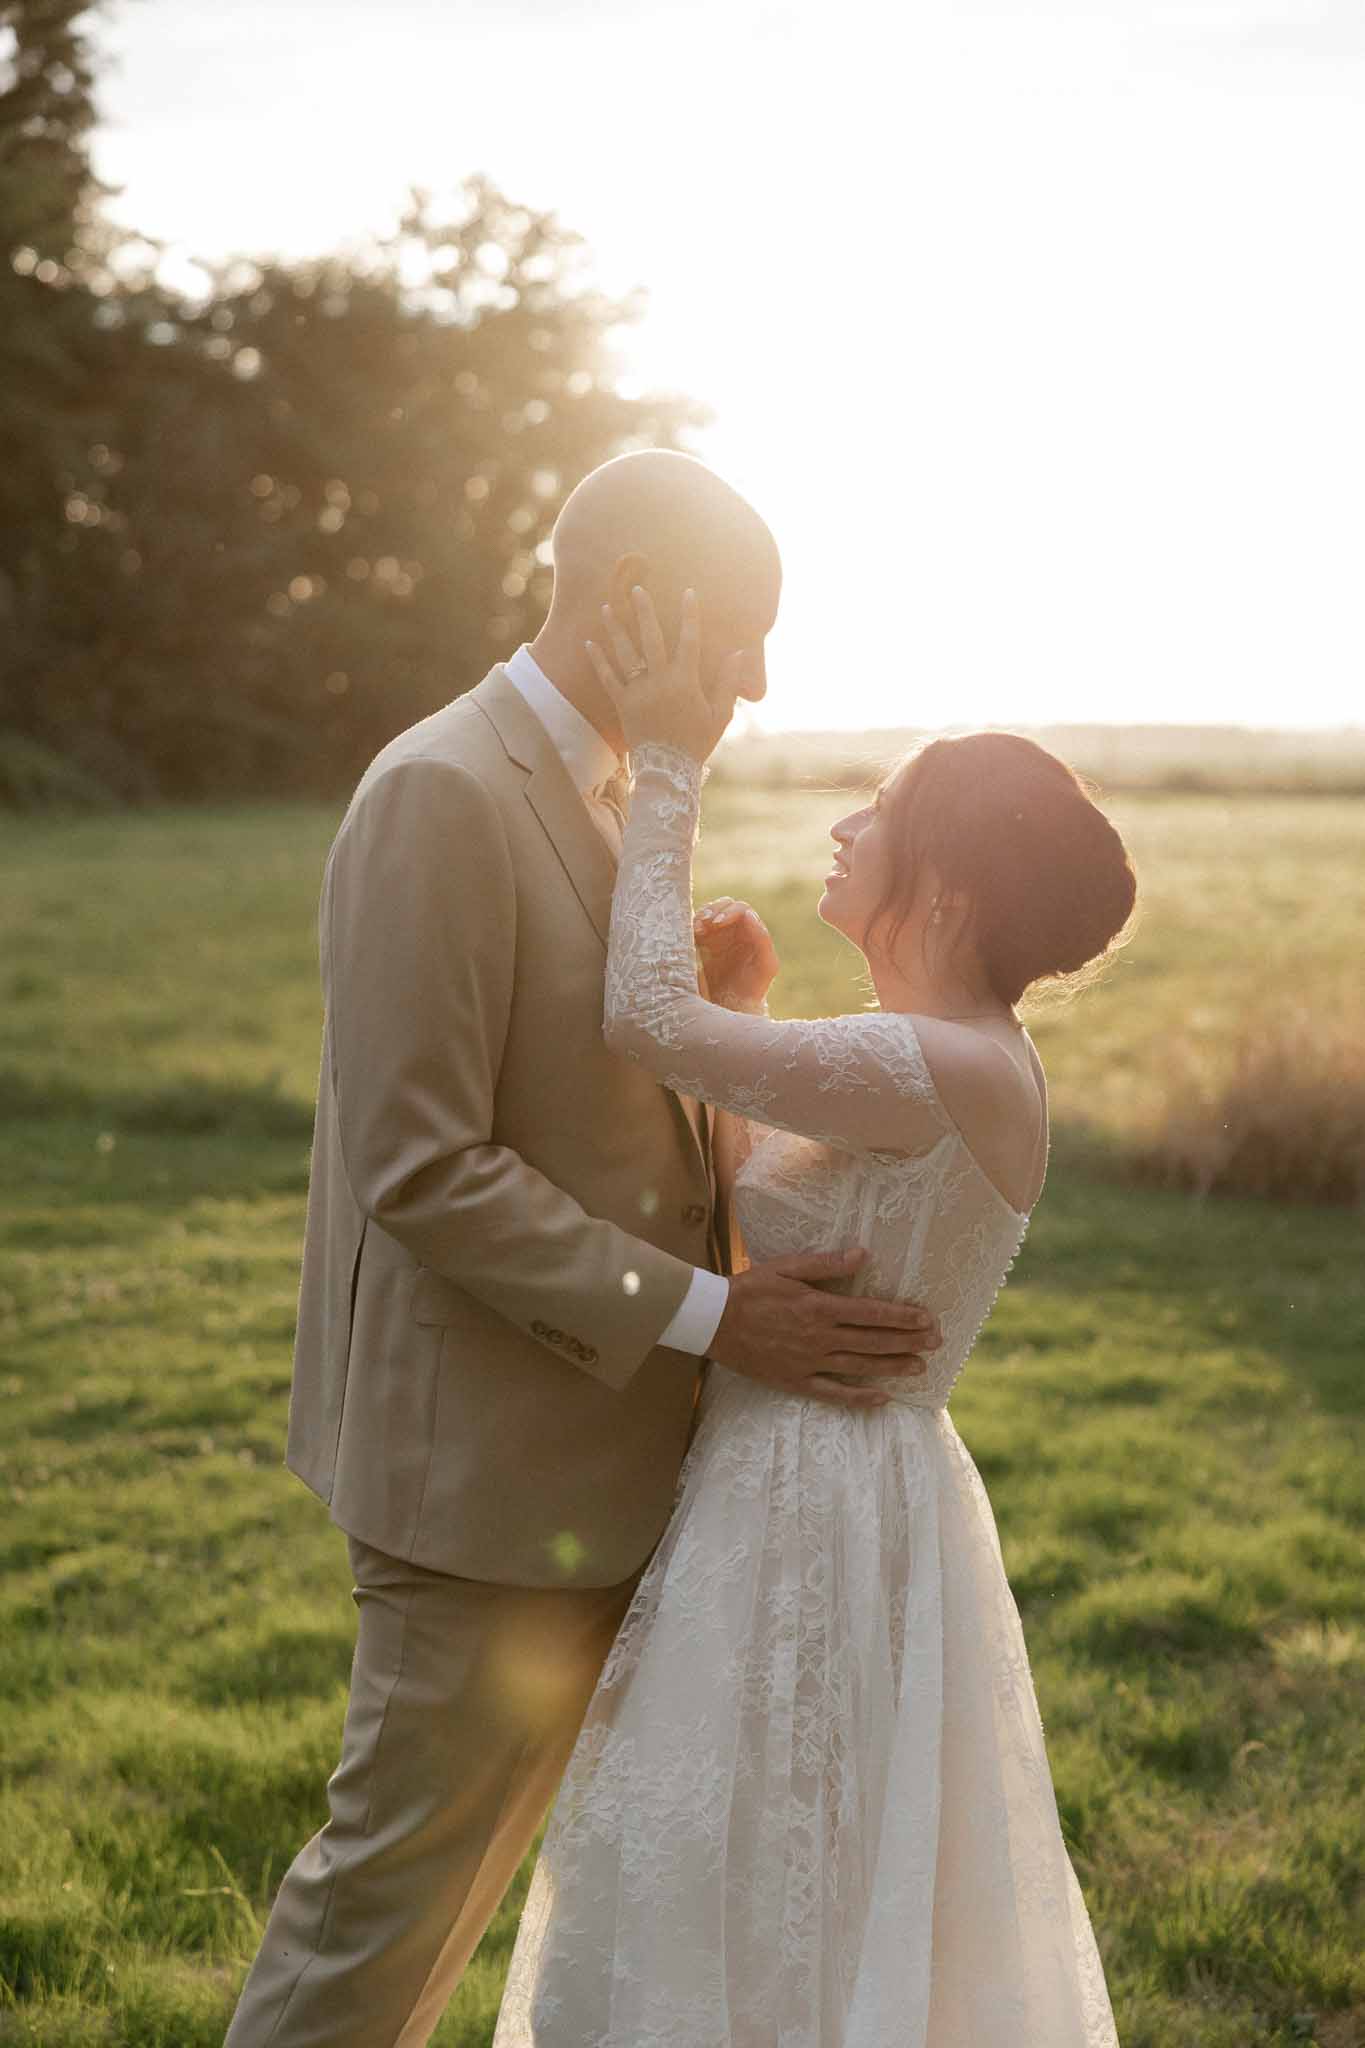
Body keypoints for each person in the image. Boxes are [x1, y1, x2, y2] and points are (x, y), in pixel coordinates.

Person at [223, 451, 943, 2048]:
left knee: (436, 1921)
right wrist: (717, 1318)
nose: (757, 679)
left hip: (590, 1462)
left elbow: (581, 1078)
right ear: (636, 601)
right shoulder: (442, 790)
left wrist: (718, 1010)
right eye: (738, 633)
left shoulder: (615, 785)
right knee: (379, 1926)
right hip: (479, 1474)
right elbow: (422, 1164)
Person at [490, 587, 1136, 2045]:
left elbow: (640, 1019)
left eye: (878, 811)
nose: (844, 830)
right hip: (785, 1476)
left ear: (951, 888)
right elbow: (760, 1200)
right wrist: (754, 1011)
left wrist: (670, 762)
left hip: (817, 1502)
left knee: (784, 1862)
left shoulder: (943, 1061)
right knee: (734, 1862)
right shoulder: (922, 1062)